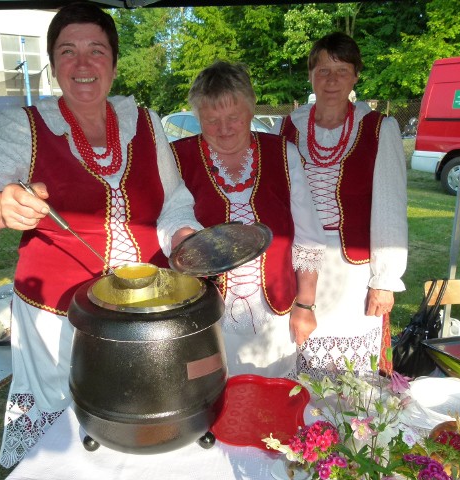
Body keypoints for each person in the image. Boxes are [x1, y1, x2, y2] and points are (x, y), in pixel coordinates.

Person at [0, 2, 199, 468]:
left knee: (142, 423)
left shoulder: (146, 123)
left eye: (96, 51)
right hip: (58, 321)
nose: (82, 64)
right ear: (54, 66)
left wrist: (180, 238)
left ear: (114, 64)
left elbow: (174, 199)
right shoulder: (27, 128)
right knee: (67, 442)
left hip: (143, 316)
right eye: (67, 51)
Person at [171, 61, 326, 378]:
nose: (224, 128)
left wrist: (306, 305)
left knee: (271, 402)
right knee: (212, 398)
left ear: (251, 110)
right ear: (198, 116)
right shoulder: (176, 158)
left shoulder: (284, 154)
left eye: (234, 117)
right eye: (211, 120)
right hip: (206, 320)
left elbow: (308, 237)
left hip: (275, 315)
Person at [276, 32, 408, 378]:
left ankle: (347, 430)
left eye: (342, 70)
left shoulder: (380, 128)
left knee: (348, 374)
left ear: (355, 76)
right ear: (310, 75)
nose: (331, 80)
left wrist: (385, 279)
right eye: (322, 70)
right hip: (299, 263)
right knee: (301, 357)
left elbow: (390, 207)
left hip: (353, 272)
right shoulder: (288, 126)